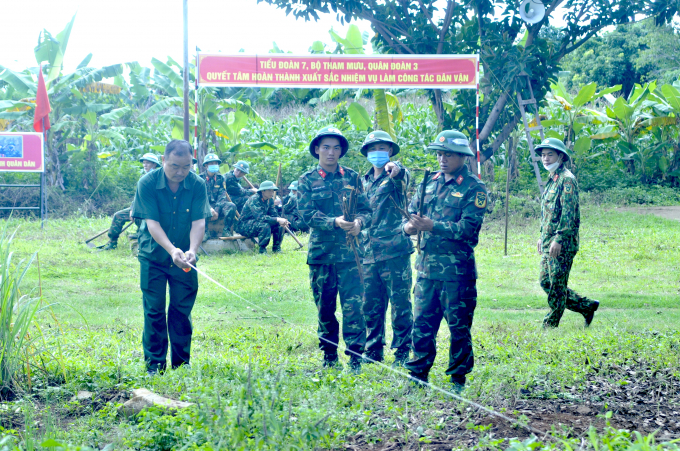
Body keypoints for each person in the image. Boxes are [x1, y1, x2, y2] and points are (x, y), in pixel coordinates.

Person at [402, 130, 487, 392]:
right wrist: (409, 228)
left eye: (448, 153)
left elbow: (469, 231)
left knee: (459, 328)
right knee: (422, 326)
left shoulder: (474, 188)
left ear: (462, 156)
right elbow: (410, 218)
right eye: (439, 153)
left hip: (456, 274)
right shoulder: (428, 183)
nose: (442, 158)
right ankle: (418, 376)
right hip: (426, 271)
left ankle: (457, 380)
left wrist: (433, 226)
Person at [131, 139, 212, 375]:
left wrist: (192, 251)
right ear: (164, 160)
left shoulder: (197, 184)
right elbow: (152, 223)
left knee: (181, 310)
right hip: (153, 256)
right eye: (175, 166)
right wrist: (171, 250)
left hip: (185, 260)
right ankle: (154, 366)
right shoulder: (147, 183)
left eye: (186, 166)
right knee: (154, 311)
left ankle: (181, 366)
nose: (180, 172)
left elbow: (199, 222)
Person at [298, 126, 371, 373]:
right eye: (326, 147)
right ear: (317, 149)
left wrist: (359, 223)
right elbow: (307, 215)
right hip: (322, 256)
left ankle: (355, 358)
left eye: (336, 147)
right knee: (325, 308)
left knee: (354, 308)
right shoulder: (306, 180)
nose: (331, 152)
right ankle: (330, 356)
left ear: (342, 151)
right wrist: (335, 222)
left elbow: (366, 210)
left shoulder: (352, 177)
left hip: (351, 256)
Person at [359, 131, 414, 367]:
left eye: (382, 148)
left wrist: (396, 167)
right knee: (371, 304)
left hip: (394, 250)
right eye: (372, 149)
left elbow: (404, 176)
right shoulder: (362, 181)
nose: (377, 153)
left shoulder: (395, 177)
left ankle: (402, 351)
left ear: (390, 151)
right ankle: (373, 350)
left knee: (400, 304)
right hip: (367, 252)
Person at [535, 138, 599, 328]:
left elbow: (569, 214)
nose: (545, 159)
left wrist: (559, 239)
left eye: (550, 154)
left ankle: (550, 325)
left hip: (561, 244)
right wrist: (541, 236)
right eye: (543, 155)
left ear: (560, 156)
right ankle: (587, 306)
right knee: (546, 282)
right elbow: (548, 212)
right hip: (548, 241)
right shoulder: (552, 178)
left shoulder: (567, 180)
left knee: (556, 287)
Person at [102, 153, 160, 250]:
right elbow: (137, 196)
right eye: (144, 163)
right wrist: (132, 209)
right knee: (118, 215)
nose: (145, 165)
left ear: (154, 165)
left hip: (149, 210)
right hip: (138, 207)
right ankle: (112, 243)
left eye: (148, 163)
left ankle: (140, 235)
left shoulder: (157, 178)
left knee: (142, 220)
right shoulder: (143, 177)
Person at [236, 181, 289, 254]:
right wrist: (278, 219)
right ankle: (262, 249)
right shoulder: (255, 199)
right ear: (263, 191)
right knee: (264, 225)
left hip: (257, 223)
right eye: (269, 190)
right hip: (245, 225)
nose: (272, 193)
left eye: (273, 191)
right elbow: (260, 217)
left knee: (279, 225)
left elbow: (274, 214)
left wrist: (281, 221)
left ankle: (276, 248)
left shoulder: (269, 200)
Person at [199, 153, 237, 240]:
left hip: (218, 205)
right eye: (211, 163)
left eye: (216, 163)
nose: (214, 165)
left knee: (231, 206)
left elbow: (222, 196)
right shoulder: (200, 178)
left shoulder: (221, 178)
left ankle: (226, 230)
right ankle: (205, 232)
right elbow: (200, 197)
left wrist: (216, 210)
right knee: (198, 207)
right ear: (206, 165)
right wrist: (209, 209)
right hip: (205, 205)